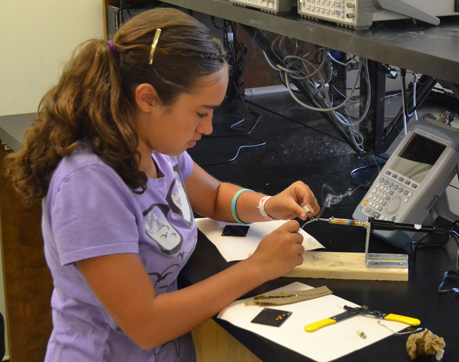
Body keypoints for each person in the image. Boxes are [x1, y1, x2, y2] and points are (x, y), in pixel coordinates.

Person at [6, 8, 319, 362]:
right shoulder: (89, 186)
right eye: (201, 112)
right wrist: (258, 267)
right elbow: (147, 324)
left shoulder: (157, 149)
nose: (209, 127)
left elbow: (214, 197)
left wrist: (268, 206)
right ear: (148, 99)